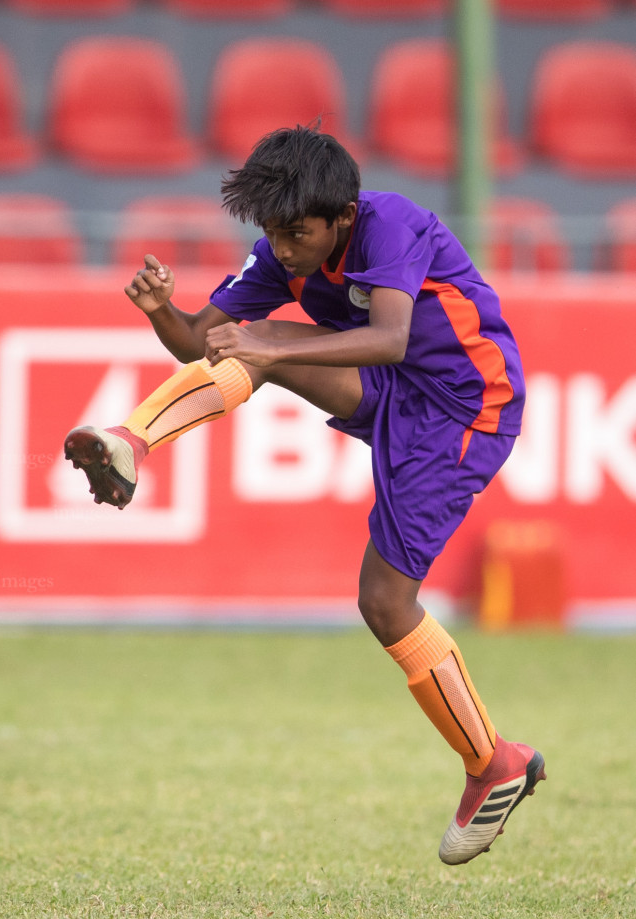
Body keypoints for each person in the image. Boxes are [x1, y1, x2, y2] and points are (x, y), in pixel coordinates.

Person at [65, 125, 544, 866]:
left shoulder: (392, 223)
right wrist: (162, 311)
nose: (284, 249)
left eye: (298, 234)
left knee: (384, 604)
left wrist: (271, 344)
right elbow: (202, 340)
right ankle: (130, 443)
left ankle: (493, 764)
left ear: (342, 216)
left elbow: (388, 336)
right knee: (252, 345)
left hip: (463, 406)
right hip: (393, 390)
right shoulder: (279, 251)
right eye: (272, 233)